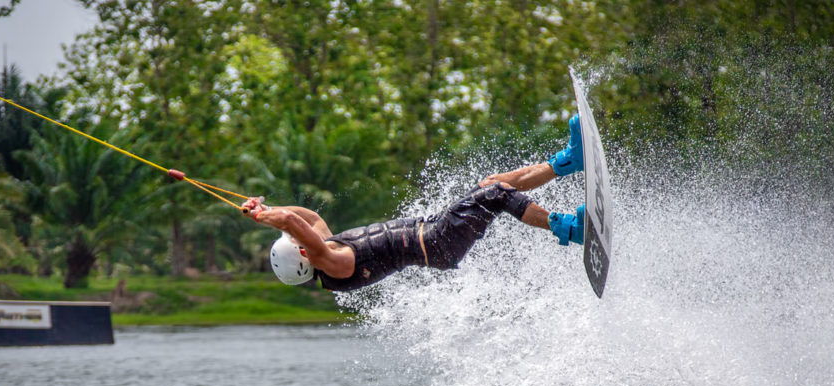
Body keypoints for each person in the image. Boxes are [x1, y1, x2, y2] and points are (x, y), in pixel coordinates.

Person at [244, 115, 586, 291]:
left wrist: (265, 207)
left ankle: (567, 162)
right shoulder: (330, 263)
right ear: (302, 254)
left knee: (490, 185)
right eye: (295, 243)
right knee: (495, 195)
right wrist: (264, 216)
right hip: (438, 242)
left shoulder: (327, 247)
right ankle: (568, 228)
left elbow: (308, 217)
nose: (297, 237)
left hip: (437, 233)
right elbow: (291, 221)